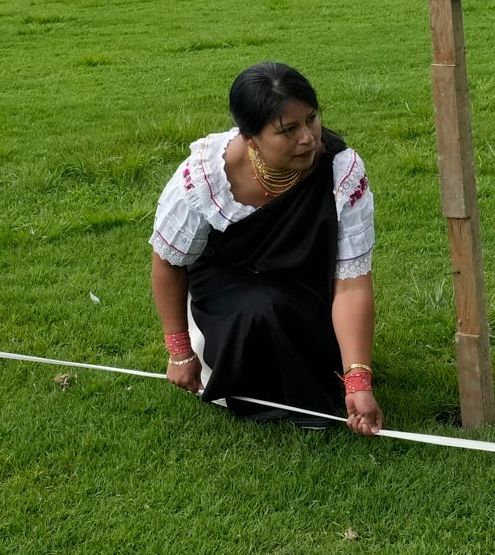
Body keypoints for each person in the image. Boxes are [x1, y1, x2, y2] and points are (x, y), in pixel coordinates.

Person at [148, 62, 382, 432]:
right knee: (263, 306)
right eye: (288, 130)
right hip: (228, 292)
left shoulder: (341, 172)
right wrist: (179, 352)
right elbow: (168, 263)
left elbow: (352, 282)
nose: (308, 138)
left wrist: (358, 378)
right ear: (250, 138)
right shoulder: (204, 177)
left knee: (286, 310)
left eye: (312, 119)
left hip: (307, 287)